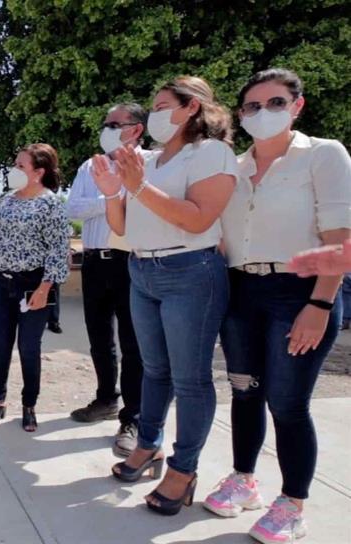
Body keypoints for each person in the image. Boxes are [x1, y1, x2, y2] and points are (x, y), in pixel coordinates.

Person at [203, 69, 351, 544]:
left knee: (287, 403)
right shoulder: (234, 166)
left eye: (275, 102)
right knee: (244, 392)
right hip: (242, 293)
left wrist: (321, 303)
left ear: (297, 105)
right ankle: (244, 479)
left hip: (299, 293)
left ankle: (292, 504)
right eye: (252, 106)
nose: (262, 112)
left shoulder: (323, 155)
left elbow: (341, 239)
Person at [93, 76, 236, 516]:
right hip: (142, 268)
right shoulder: (148, 161)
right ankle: (149, 445)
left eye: (160, 106)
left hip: (190, 271)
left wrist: (134, 186)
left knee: (190, 379)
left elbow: (196, 220)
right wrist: (112, 191)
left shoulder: (212, 153)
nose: (151, 115)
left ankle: (184, 468)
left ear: (190, 107)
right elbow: (121, 226)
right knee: (154, 369)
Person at [0, 143, 70, 432]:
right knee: (1, 346)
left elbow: (57, 250)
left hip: (33, 285)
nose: (14, 170)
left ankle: (29, 406)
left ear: (38, 172)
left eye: (20, 166)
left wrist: (45, 288)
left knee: (29, 348)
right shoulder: (7, 199)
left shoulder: (51, 204)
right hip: (0, 282)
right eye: (15, 164)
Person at [65, 103, 146, 458]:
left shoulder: (150, 163)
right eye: (106, 123)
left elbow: (140, 206)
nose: (108, 128)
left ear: (136, 130)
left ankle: (134, 417)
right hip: (95, 260)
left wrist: (102, 198)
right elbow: (72, 209)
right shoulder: (90, 165)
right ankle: (105, 399)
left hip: (132, 261)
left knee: (133, 344)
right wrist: (113, 196)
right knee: (99, 338)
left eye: (116, 123)